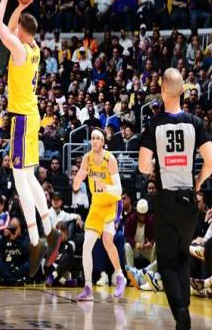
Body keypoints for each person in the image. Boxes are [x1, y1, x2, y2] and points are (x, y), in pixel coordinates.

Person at [0, 0, 62, 278]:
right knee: (29, 176)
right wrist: (21, 6)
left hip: (21, 119)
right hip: (32, 116)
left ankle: (36, 239)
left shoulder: (20, 50)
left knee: (20, 180)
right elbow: (11, 28)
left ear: (21, 31)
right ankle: (49, 227)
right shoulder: (32, 48)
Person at [138, 68, 212, 329]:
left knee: (167, 261)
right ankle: (185, 310)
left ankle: (180, 310)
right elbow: (211, 162)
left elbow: (143, 165)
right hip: (188, 201)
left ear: (162, 90)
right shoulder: (195, 123)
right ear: (182, 90)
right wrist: (197, 182)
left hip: (166, 200)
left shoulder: (155, 123)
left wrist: (156, 166)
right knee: (183, 257)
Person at [73, 129, 126, 301]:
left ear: (103, 142)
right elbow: (78, 180)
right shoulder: (87, 158)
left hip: (111, 204)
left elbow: (119, 190)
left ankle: (120, 275)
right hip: (96, 205)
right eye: (93, 138)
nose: (95, 140)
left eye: (98, 138)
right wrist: (77, 181)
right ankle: (88, 287)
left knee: (107, 240)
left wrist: (106, 187)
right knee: (86, 246)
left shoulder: (110, 159)